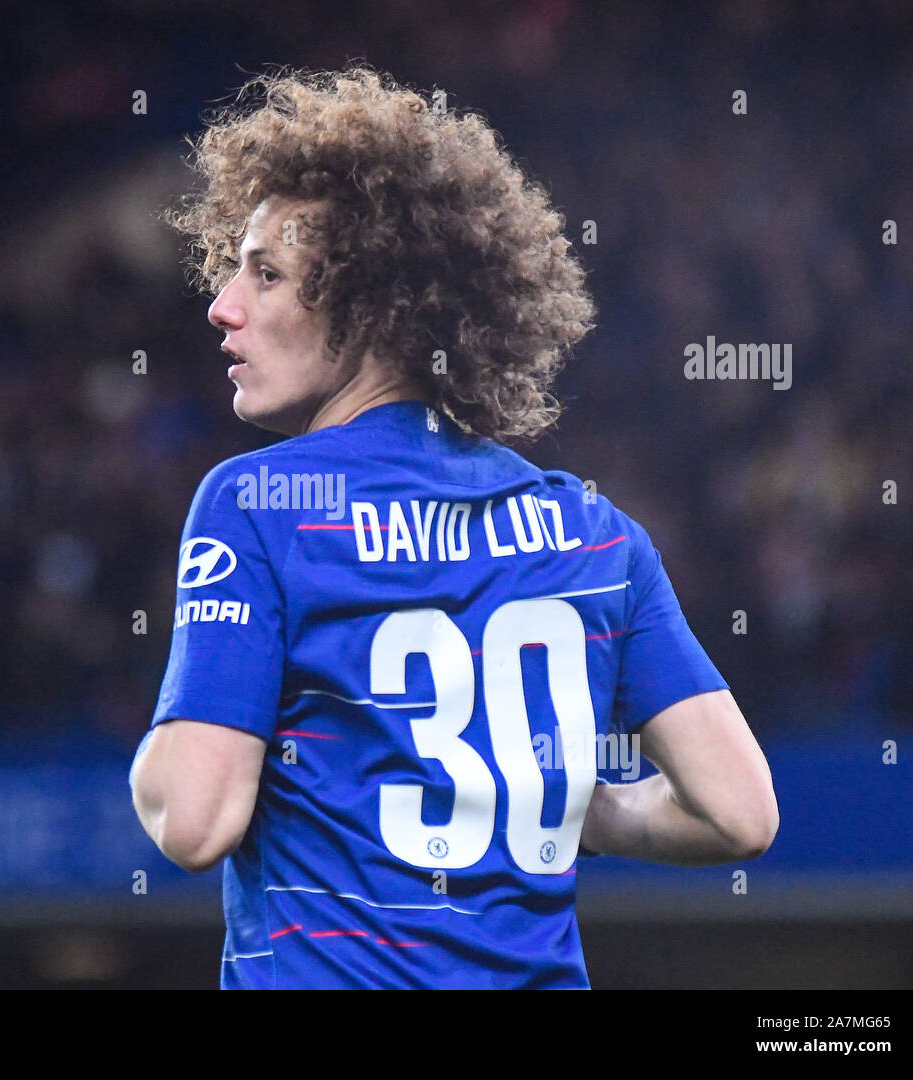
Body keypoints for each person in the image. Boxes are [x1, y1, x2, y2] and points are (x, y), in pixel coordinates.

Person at [130, 65, 778, 989]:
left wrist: (167, 758)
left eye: (265, 272)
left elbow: (194, 822)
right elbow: (740, 814)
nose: (222, 304)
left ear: (370, 305)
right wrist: (588, 815)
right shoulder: (597, 533)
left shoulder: (258, 505)